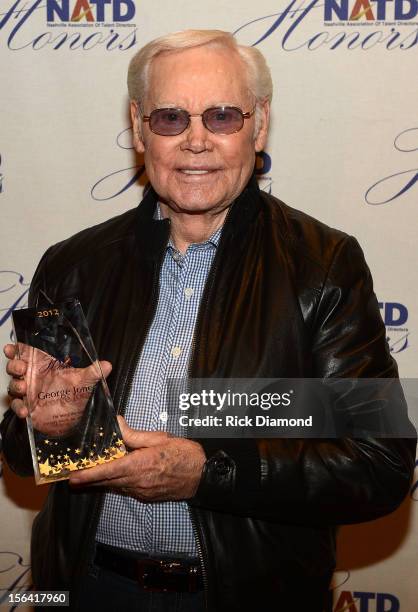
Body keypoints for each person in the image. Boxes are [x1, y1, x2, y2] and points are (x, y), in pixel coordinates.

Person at [1, 29, 415, 612]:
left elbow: (380, 464)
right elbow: (22, 457)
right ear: (140, 126)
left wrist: (206, 473)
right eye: (171, 118)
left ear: (260, 124)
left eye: (222, 116)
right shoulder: (73, 265)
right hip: (83, 588)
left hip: (250, 595)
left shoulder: (322, 267)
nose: (196, 141)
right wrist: (48, 423)